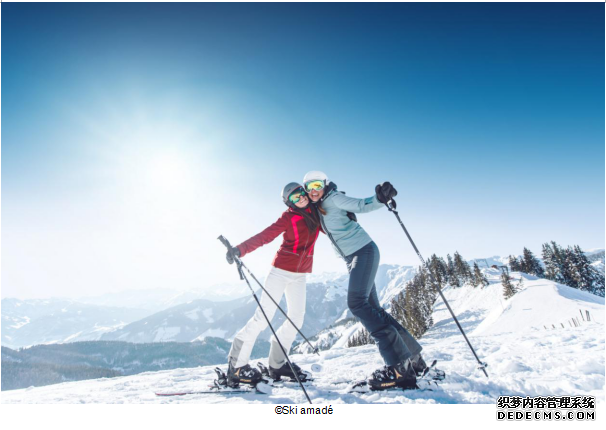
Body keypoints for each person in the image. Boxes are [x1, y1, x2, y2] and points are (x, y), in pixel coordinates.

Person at [303, 170, 428, 390]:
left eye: (317, 185)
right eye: (309, 187)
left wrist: (380, 199)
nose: (313, 190)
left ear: (324, 184)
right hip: (353, 257)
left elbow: (361, 205)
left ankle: (399, 366)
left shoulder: (333, 198)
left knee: (357, 303)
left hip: (363, 252)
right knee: (373, 308)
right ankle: (415, 361)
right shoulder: (319, 207)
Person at [223, 182, 321, 387]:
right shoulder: (288, 217)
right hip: (280, 272)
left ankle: (277, 364)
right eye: (294, 198)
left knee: (297, 318)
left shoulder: (316, 211)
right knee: (263, 318)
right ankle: (236, 366)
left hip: (300, 274)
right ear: (289, 203)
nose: (300, 198)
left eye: (301, 194)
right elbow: (265, 236)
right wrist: (239, 250)